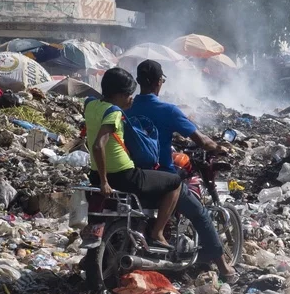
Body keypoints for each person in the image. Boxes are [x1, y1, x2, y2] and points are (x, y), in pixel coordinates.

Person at [130, 59, 234, 279]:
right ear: (159, 83)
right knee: (201, 214)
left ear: (139, 81)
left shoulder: (127, 107)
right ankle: (225, 268)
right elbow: (201, 140)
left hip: (133, 175)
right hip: (162, 177)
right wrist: (219, 148)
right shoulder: (167, 110)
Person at [85, 67, 181, 251]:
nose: (132, 98)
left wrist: (102, 177)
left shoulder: (90, 105)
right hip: (123, 175)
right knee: (175, 182)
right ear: (119, 94)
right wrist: (105, 182)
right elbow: (98, 145)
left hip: (95, 174)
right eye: (129, 94)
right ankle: (157, 233)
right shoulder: (114, 112)